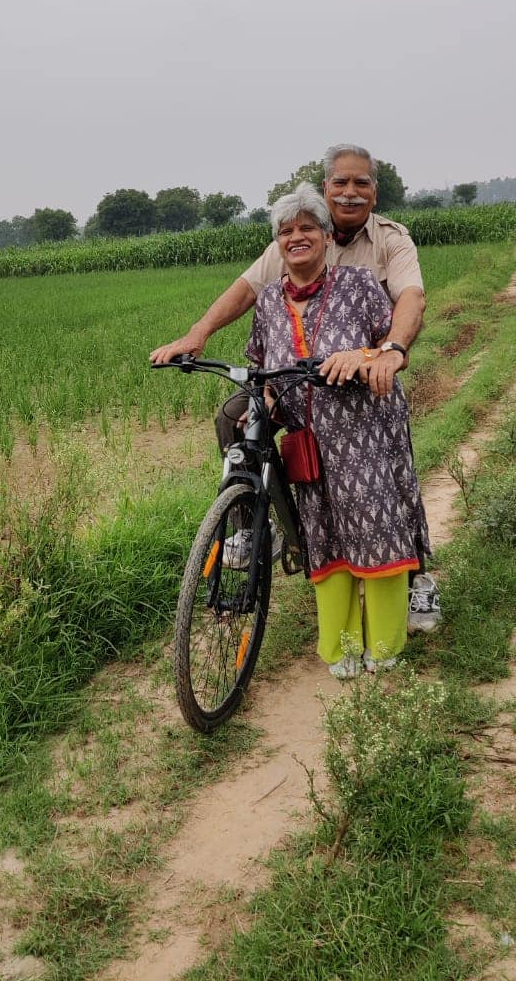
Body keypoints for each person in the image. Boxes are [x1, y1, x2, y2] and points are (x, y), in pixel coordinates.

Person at [151, 144, 439, 633]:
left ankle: (415, 578)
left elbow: (411, 296)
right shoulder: (295, 233)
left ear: (374, 190)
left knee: (385, 476)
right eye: (339, 183)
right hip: (293, 382)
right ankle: (257, 521)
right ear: (325, 191)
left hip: (360, 376)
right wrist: (197, 335)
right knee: (236, 417)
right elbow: (245, 291)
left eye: (361, 183)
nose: (350, 192)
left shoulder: (390, 241)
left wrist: (389, 349)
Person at [246, 182, 431, 678]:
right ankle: (341, 646)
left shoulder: (358, 286)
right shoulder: (267, 303)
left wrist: (366, 355)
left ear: (327, 237)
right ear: (278, 243)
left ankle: (386, 643)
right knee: (322, 536)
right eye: (286, 231)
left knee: (377, 529)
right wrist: (261, 405)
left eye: (308, 227)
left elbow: (393, 348)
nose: (297, 237)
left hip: (364, 433)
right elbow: (261, 365)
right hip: (307, 442)